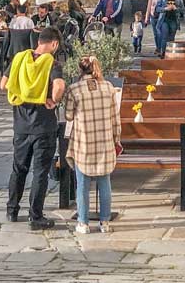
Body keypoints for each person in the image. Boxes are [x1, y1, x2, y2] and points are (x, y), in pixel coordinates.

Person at [0, 27, 65, 230]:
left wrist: (23, 94)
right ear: (54, 44)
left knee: (18, 169)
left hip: (20, 125)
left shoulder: (19, 59)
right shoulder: (52, 63)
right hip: (43, 125)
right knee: (40, 172)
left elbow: (4, 84)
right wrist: (54, 100)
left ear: (39, 41)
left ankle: (12, 210)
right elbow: (60, 86)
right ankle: (35, 216)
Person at [64, 56, 120, 235]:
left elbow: (69, 116)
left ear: (80, 70)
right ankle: (105, 222)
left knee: (82, 184)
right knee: (105, 183)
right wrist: (116, 139)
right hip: (104, 141)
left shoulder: (74, 89)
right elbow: (115, 118)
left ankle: (83, 222)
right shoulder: (109, 88)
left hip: (84, 142)